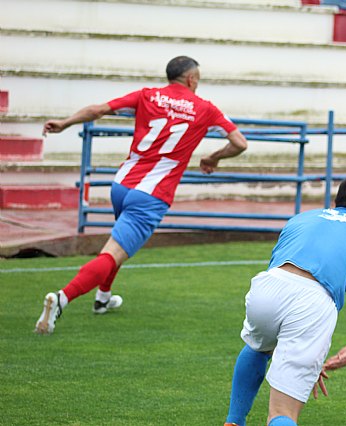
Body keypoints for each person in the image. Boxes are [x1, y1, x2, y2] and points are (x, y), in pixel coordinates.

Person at [35, 56, 248, 335]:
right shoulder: (205, 109)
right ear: (192, 79)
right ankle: (61, 299)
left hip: (122, 185)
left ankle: (103, 298)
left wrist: (64, 123)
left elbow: (98, 109)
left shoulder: (148, 95)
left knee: (117, 243)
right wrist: (214, 157)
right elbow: (240, 143)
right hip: (152, 195)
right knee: (113, 253)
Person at [224, 175, 346, 426]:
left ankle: (234, 421)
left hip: (268, 286)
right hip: (312, 302)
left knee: (259, 347)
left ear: (336, 201)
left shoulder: (301, 218)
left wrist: (306, 351)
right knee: (282, 413)